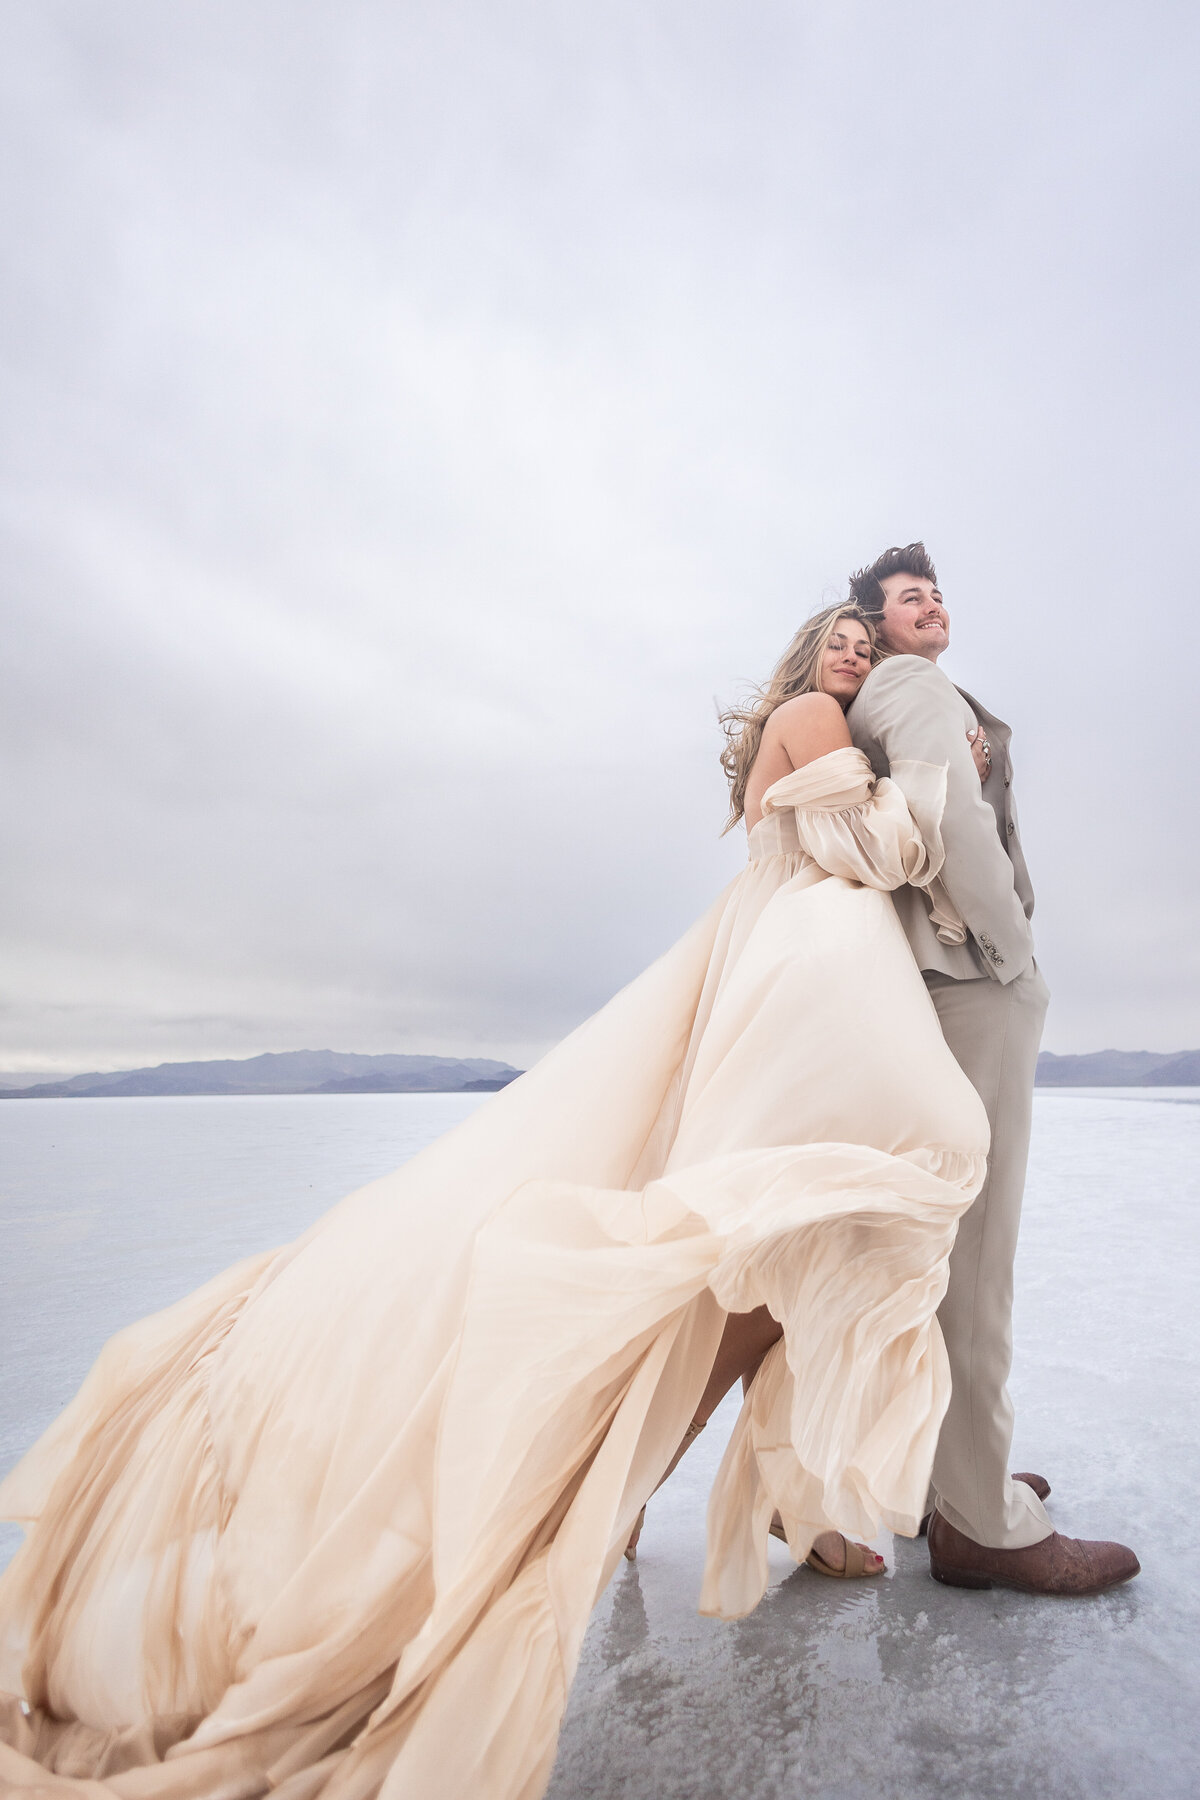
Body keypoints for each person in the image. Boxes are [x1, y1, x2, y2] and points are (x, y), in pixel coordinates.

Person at [0, 605, 1061, 1800]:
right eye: (843, 639)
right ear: (809, 658)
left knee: (785, 1246)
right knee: (789, 1228)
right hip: (808, 984)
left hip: (803, 980)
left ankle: (779, 1504)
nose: (859, 657)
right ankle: (653, 1495)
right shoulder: (819, 719)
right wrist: (924, 806)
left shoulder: (816, 719)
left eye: (873, 647)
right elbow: (869, 850)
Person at [844, 542, 1139, 1595]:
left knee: (946, 1248)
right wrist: (1011, 950)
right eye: (908, 597)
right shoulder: (912, 684)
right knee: (977, 1251)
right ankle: (979, 1520)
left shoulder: (903, 688)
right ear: (876, 626)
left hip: (942, 979)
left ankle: (946, 1477)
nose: (932, 606)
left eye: (937, 593)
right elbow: (949, 818)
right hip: (972, 977)